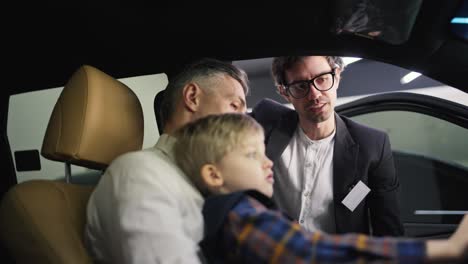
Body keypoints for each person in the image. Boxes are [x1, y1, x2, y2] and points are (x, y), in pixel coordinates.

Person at [173, 113, 468, 263]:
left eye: (264, 152)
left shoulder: (219, 213)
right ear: (213, 175)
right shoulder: (240, 214)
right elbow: (309, 251)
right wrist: (447, 248)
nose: (268, 163)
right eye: (252, 155)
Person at [85, 58, 249, 264]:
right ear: (192, 97)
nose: (244, 125)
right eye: (235, 106)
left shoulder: (205, 182)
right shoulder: (140, 173)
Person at [250, 56, 403, 236]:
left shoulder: (372, 146)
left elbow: (388, 231)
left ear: (336, 76)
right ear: (284, 92)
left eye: (322, 79)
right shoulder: (266, 120)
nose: (314, 94)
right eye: (301, 86)